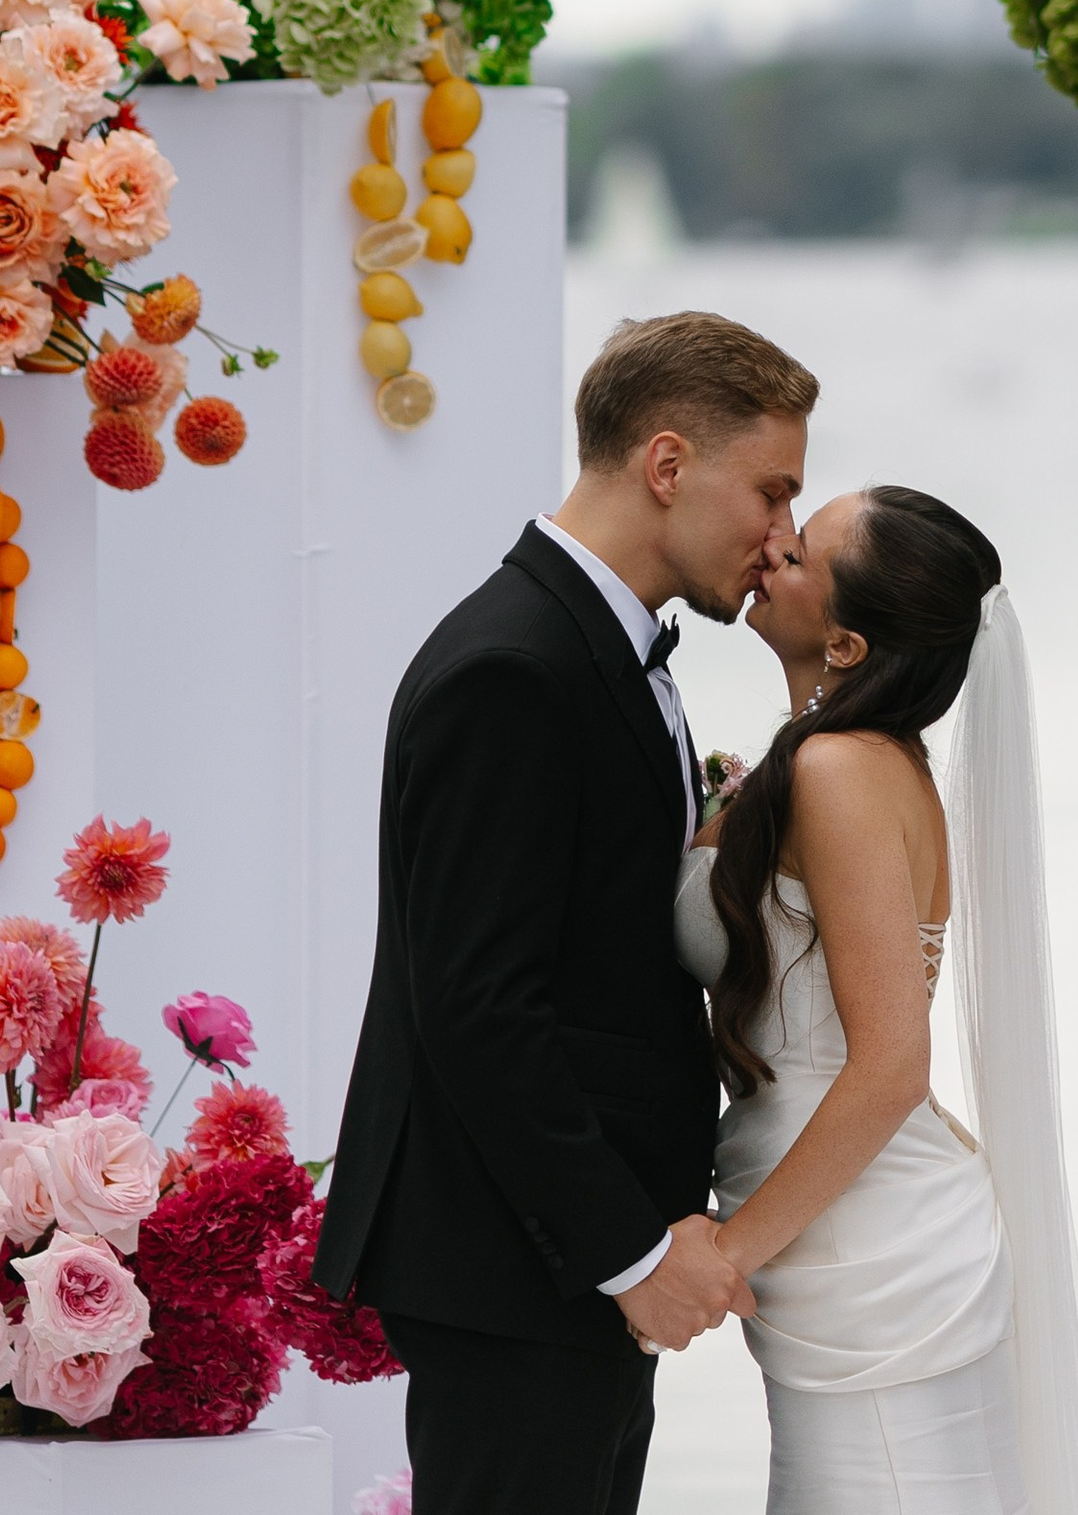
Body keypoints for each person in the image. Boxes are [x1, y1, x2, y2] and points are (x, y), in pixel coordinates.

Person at [317, 309, 818, 1515]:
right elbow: (478, 1007)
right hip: (519, 1259)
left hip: (560, 1259)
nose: (781, 537)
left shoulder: (598, 648)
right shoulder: (515, 667)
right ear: (665, 464)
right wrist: (633, 1255)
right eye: (771, 491)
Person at [677, 485, 1078, 1515]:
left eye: (800, 554)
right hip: (849, 1231)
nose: (771, 544)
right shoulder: (839, 766)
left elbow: (886, 1066)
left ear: (846, 644)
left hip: (869, 1252)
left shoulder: (842, 772)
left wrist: (727, 1253)